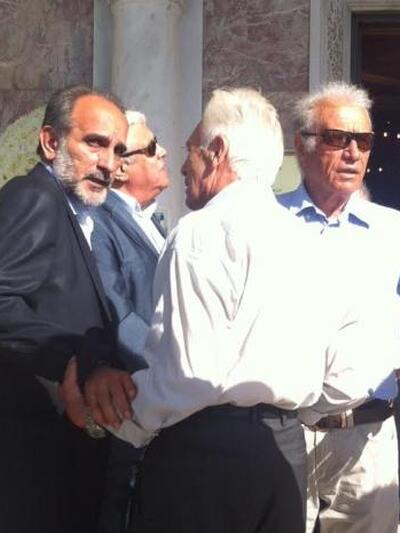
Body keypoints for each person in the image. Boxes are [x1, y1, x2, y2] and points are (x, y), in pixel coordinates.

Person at [97, 87, 394, 533]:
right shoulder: (300, 237)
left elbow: (187, 375)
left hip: (210, 453)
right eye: (337, 138)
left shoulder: (201, 232)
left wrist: (119, 422)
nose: (183, 166)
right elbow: (332, 359)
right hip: (285, 450)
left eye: (191, 150)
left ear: (217, 151)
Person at [0, 85, 136, 533]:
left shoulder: (73, 211)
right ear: (50, 142)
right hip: (31, 467)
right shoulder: (34, 197)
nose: (108, 163)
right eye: (95, 143)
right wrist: (74, 362)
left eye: (118, 150)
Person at [278, 81, 400, 533]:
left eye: (363, 141)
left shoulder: (391, 231)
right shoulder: (267, 224)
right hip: (287, 433)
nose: (353, 152)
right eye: (337, 138)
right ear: (302, 145)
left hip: (367, 439)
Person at [91, 110, 169, 533]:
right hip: (130, 403)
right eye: (153, 148)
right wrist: (169, 370)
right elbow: (115, 311)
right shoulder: (101, 222)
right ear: (121, 167)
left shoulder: (151, 219)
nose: (165, 153)